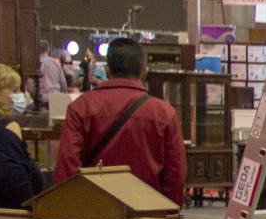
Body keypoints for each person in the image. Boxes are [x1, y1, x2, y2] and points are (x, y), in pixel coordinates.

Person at [53, 37, 183, 203]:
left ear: (107, 70)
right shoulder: (165, 113)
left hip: (95, 209)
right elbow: (175, 173)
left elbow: (67, 166)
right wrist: (168, 213)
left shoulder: (80, 108)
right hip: (149, 209)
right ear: (144, 71)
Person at [0, 61, 41, 209]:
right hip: (1, 216)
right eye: (13, 90)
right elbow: (19, 183)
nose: (19, 96)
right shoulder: (2, 132)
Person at [36, 42, 66, 107]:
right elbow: (63, 83)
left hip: (40, 99)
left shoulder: (34, 63)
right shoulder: (56, 63)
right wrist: (64, 96)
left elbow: (30, 84)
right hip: (56, 98)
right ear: (48, 49)